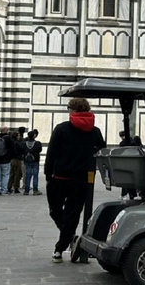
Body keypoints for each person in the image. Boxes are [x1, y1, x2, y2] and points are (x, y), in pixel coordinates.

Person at [45, 97, 106, 263]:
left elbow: (51, 153)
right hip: (82, 179)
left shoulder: (62, 129)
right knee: (72, 214)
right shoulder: (95, 131)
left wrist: (47, 173)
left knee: (55, 210)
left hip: (60, 177)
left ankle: (62, 246)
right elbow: (101, 149)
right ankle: (65, 243)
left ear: (72, 110)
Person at [0, 126, 15, 196]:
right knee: (5, 175)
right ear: (7, 131)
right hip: (6, 160)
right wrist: (11, 157)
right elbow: (12, 149)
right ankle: (4, 190)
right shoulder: (8, 139)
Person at [23, 130, 43, 196]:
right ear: (34, 136)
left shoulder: (24, 143)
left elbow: (21, 149)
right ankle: (35, 190)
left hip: (27, 160)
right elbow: (40, 150)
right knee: (35, 175)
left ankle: (26, 190)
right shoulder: (37, 143)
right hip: (35, 160)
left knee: (28, 175)